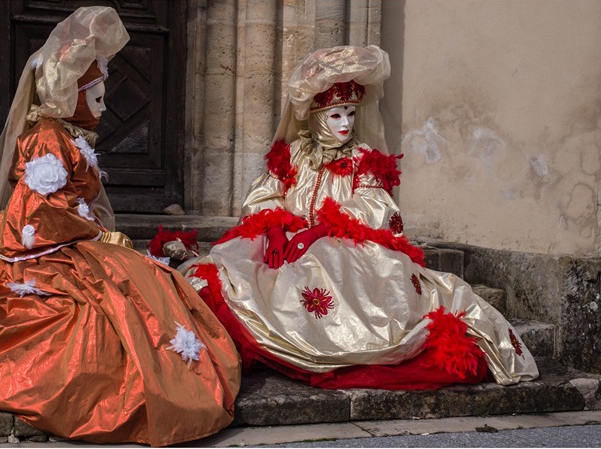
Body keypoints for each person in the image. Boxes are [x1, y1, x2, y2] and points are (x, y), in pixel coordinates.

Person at [0, 7, 240, 446]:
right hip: (40, 251)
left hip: (68, 240)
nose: (104, 104)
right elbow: (36, 212)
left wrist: (96, 233)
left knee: (141, 280)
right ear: (70, 94)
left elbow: (70, 202)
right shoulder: (48, 137)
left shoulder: (65, 135)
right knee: (94, 310)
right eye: (96, 95)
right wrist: (96, 235)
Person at [180, 45, 538, 390]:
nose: (345, 124)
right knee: (236, 269)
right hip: (283, 241)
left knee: (331, 263)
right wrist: (275, 229)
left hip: (338, 245)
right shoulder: (293, 155)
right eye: (335, 115)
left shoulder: (362, 159)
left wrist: (318, 231)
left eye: (351, 113)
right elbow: (264, 196)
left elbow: (374, 206)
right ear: (317, 117)